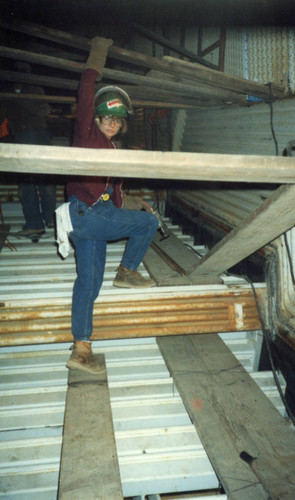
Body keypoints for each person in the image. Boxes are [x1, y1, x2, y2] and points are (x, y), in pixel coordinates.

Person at [62, 37, 159, 375]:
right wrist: (97, 53)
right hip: (86, 214)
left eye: (117, 122)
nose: (111, 124)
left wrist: (131, 200)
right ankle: (128, 271)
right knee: (148, 224)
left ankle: (81, 348)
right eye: (107, 118)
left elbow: (112, 193)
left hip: (93, 221)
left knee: (88, 282)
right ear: (98, 118)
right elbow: (86, 92)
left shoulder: (114, 151)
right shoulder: (86, 135)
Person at [0, 70, 56, 239]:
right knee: (32, 182)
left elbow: (45, 110)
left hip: (36, 135)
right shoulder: (7, 92)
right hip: (23, 137)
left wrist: (21, 96)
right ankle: (41, 222)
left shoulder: (34, 90)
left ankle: (45, 221)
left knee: (38, 181)